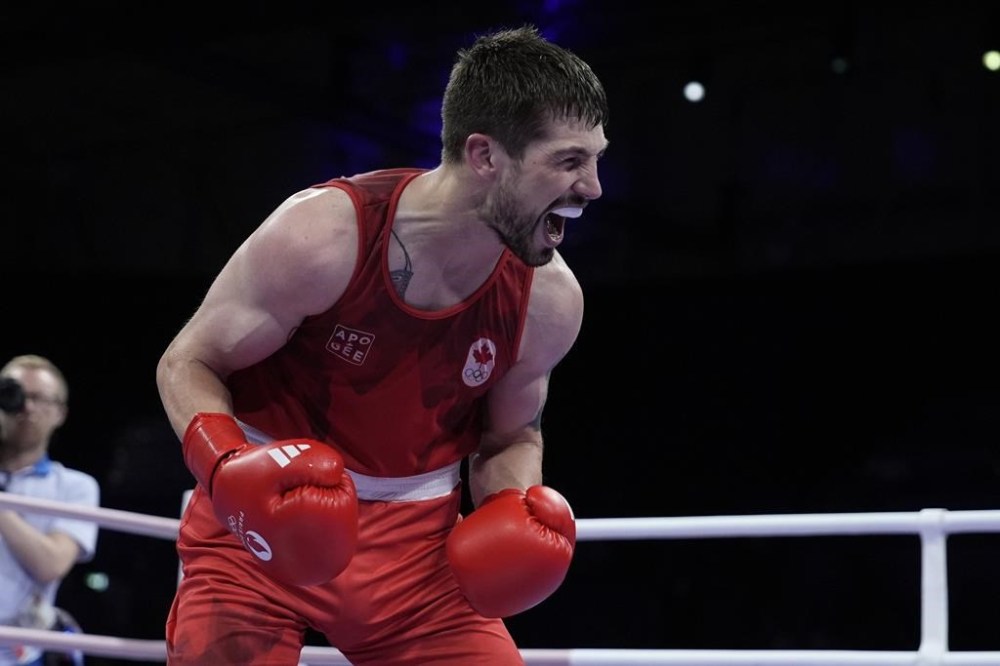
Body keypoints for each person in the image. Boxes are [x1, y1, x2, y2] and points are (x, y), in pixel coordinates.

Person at [157, 23, 608, 665]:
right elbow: (189, 361)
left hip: (415, 561)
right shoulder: (324, 235)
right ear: (484, 156)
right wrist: (228, 468)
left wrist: (511, 506)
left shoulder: (549, 300)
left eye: (596, 159)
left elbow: (511, 436)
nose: (592, 187)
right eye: (568, 161)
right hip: (258, 532)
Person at [0, 355, 99, 666]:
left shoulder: (75, 486)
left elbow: (51, 563)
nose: (25, 407)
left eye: (38, 398)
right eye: (14, 394)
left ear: (60, 413)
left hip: (22, 653)